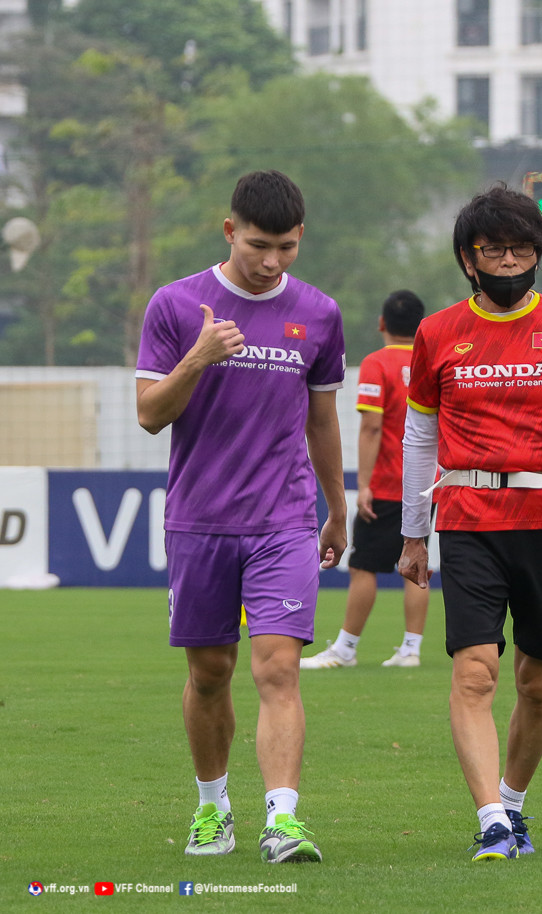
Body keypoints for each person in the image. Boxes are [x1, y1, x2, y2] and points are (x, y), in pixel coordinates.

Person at [398, 183, 542, 862]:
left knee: (539, 679)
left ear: (537, 254)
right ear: (468, 258)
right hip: (468, 519)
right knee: (475, 672)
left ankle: (515, 802)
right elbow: (417, 437)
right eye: (493, 249)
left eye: (521, 248)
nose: (508, 261)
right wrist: (416, 532)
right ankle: (491, 819)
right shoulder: (437, 333)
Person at [135, 170, 347, 864]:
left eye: (286, 248)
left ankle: (283, 820)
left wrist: (336, 508)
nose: (271, 262)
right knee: (209, 673)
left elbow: (322, 420)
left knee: (278, 668)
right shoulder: (175, 305)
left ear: (300, 239)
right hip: (199, 520)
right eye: (258, 245)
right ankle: (211, 808)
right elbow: (149, 415)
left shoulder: (318, 313)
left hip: (284, 520)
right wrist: (197, 358)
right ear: (230, 232)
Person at [300, 290, 429, 670]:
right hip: (427, 481)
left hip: (390, 482)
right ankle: (411, 649)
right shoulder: (430, 360)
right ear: (421, 326)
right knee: (416, 565)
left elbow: (372, 425)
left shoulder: (377, 363)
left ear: (382, 324)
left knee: (363, 567)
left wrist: (366, 484)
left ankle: (346, 649)